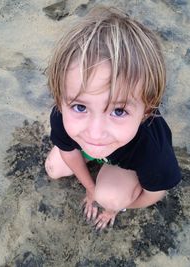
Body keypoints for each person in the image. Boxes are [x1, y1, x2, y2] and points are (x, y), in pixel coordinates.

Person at [45, 6, 181, 230]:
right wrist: (89, 188)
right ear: (60, 100)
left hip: (125, 163)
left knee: (109, 196)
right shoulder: (61, 114)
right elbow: (68, 151)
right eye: (80, 107)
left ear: (146, 112)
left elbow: (154, 194)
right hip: (95, 147)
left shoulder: (152, 150)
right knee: (54, 168)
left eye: (119, 111)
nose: (95, 132)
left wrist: (113, 208)